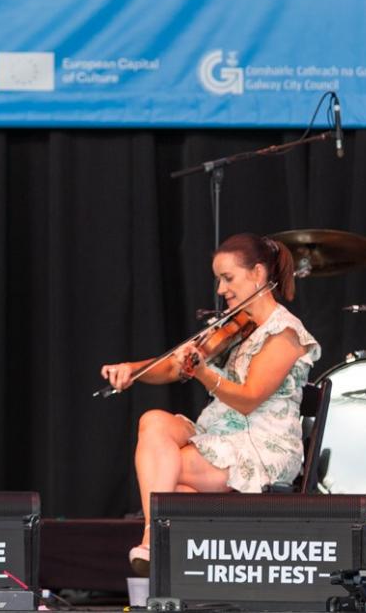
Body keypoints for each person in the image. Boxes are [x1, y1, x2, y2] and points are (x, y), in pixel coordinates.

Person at [100, 232, 321, 574]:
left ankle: (154, 540)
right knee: (153, 422)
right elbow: (174, 366)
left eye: (228, 278)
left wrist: (204, 374)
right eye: (219, 279)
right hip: (218, 435)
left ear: (259, 274)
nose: (220, 289)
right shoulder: (235, 325)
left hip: (261, 444)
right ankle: (156, 536)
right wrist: (133, 370)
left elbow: (248, 400)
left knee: (166, 476)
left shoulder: (285, 333)